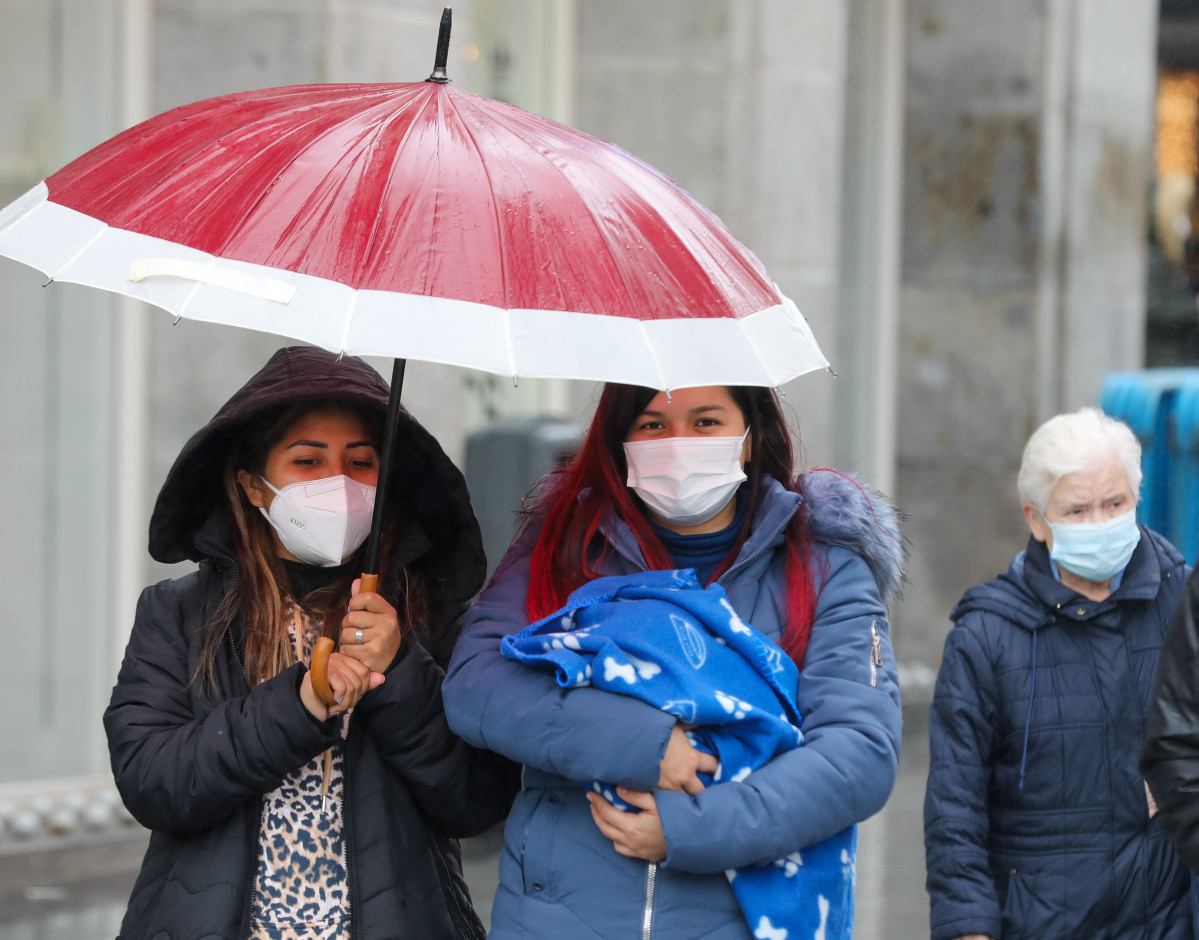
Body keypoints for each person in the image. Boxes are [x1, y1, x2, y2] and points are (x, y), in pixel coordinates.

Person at [441, 382, 904, 939]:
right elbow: (476, 682)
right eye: (653, 425)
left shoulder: (823, 568)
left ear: (751, 437)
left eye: (706, 422)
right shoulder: (564, 547)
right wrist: (640, 744)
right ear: (621, 440)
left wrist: (694, 829)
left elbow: (858, 752)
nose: (678, 444)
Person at [104, 345, 520, 940]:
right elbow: (152, 781)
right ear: (253, 485)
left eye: (361, 462)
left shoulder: (427, 616)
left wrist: (399, 667)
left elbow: (476, 802)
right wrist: (299, 705)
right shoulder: (178, 612)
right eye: (307, 460)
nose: (338, 483)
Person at [924, 406, 1192, 940]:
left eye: (1115, 504)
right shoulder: (985, 636)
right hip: (1041, 920)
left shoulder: (1182, 600)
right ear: (1036, 519)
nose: (1101, 522)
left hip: (1170, 917)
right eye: (1077, 510)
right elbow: (956, 809)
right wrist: (967, 928)